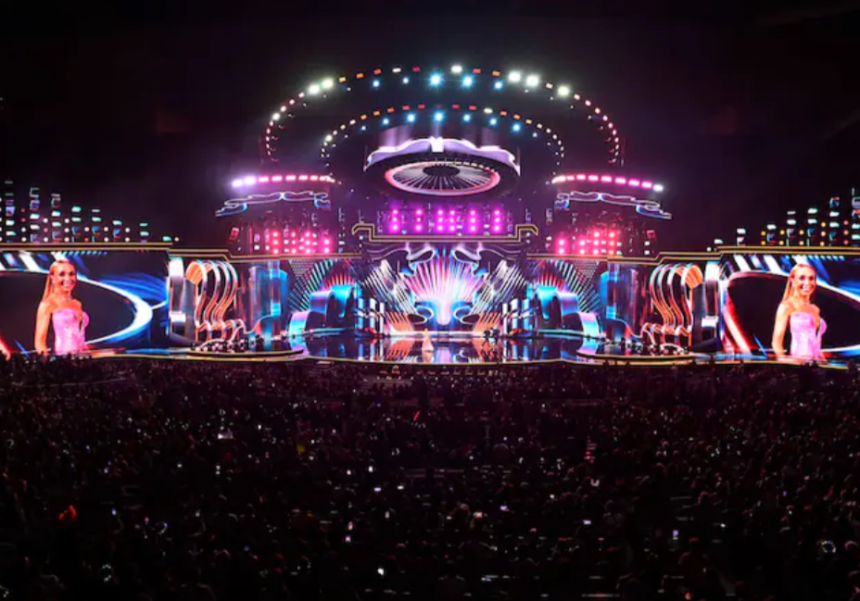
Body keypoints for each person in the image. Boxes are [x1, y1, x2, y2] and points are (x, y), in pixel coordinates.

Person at [772, 264, 826, 363]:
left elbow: (815, 343)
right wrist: (787, 362)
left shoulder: (815, 309)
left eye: (811, 278)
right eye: (802, 278)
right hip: (798, 366)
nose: (807, 282)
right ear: (793, 281)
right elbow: (776, 343)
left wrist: (825, 363)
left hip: (818, 364)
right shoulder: (786, 307)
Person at [34, 259, 89, 355]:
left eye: (71, 274)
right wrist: (50, 363)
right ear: (52, 278)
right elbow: (39, 343)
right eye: (62, 274)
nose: (68, 279)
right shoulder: (47, 304)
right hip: (61, 360)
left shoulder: (77, 303)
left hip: (83, 359)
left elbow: (80, 339)